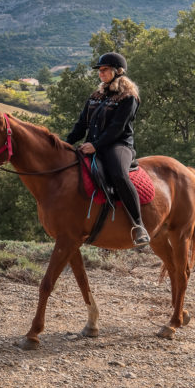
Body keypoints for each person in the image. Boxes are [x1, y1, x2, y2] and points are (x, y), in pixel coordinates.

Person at [66, 52, 150, 247]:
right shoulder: (95, 97)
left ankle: (138, 225)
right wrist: (65, 143)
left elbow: (116, 129)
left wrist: (95, 145)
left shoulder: (129, 98)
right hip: (91, 145)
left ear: (118, 71)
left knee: (119, 175)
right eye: (99, 70)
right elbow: (81, 125)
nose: (100, 73)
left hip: (118, 145)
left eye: (104, 70)